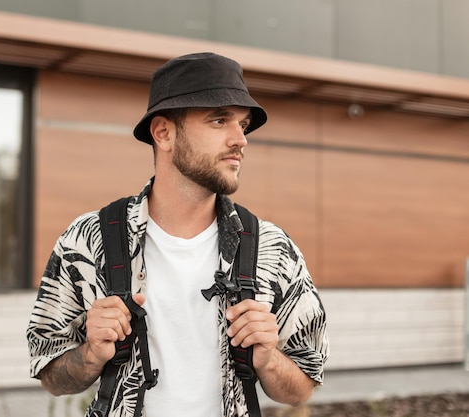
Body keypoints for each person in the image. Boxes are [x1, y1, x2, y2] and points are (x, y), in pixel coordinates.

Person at [26, 52, 329, 417]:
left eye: (243, 125)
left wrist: (268, 358)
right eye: (219, 121)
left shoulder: (273, 249)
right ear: (164, 133)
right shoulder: (88, 240)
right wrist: (91, 354)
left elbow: (301, 390)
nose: (240, 140)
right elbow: (51, 377)